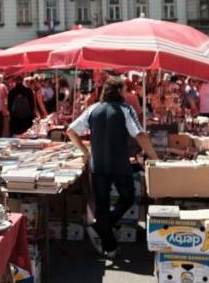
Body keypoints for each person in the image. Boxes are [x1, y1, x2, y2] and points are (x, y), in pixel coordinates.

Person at [66, 76, 157, 259]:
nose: (126, 93)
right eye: (124, 90)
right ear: (119, 91)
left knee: (101, 206)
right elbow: (140, 135)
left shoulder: (93, 109)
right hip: (119, 164)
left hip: (97, 164)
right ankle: (104, 232)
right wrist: (155, 157)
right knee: (128, 197)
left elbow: (70, 130)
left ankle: (109, 244)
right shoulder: (125, 109)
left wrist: (85, 151)